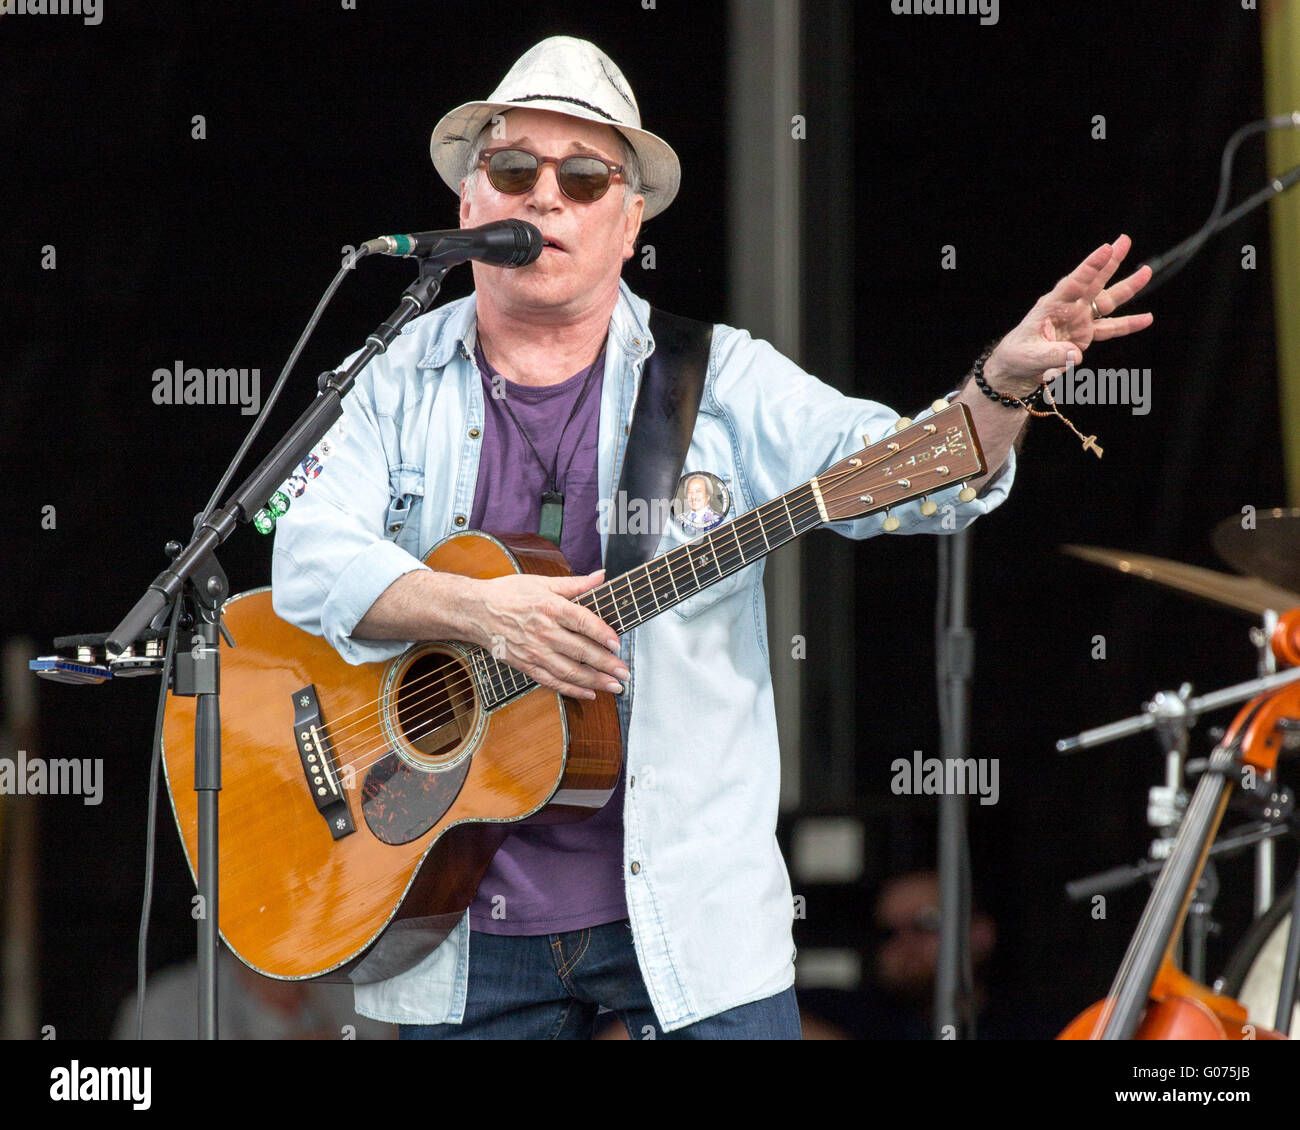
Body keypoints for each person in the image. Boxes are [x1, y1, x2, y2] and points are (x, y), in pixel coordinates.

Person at [270, 35, 1153, 1039]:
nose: (544, 197)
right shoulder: (386, 375)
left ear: (630, 213)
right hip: (456, 918)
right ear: (470, 201)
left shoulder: (718, 379)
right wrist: (481, 612)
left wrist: (1000, 384)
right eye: (515, 170)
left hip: (687, 928)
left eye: (583, 175)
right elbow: (303, 553)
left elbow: (910, 477)